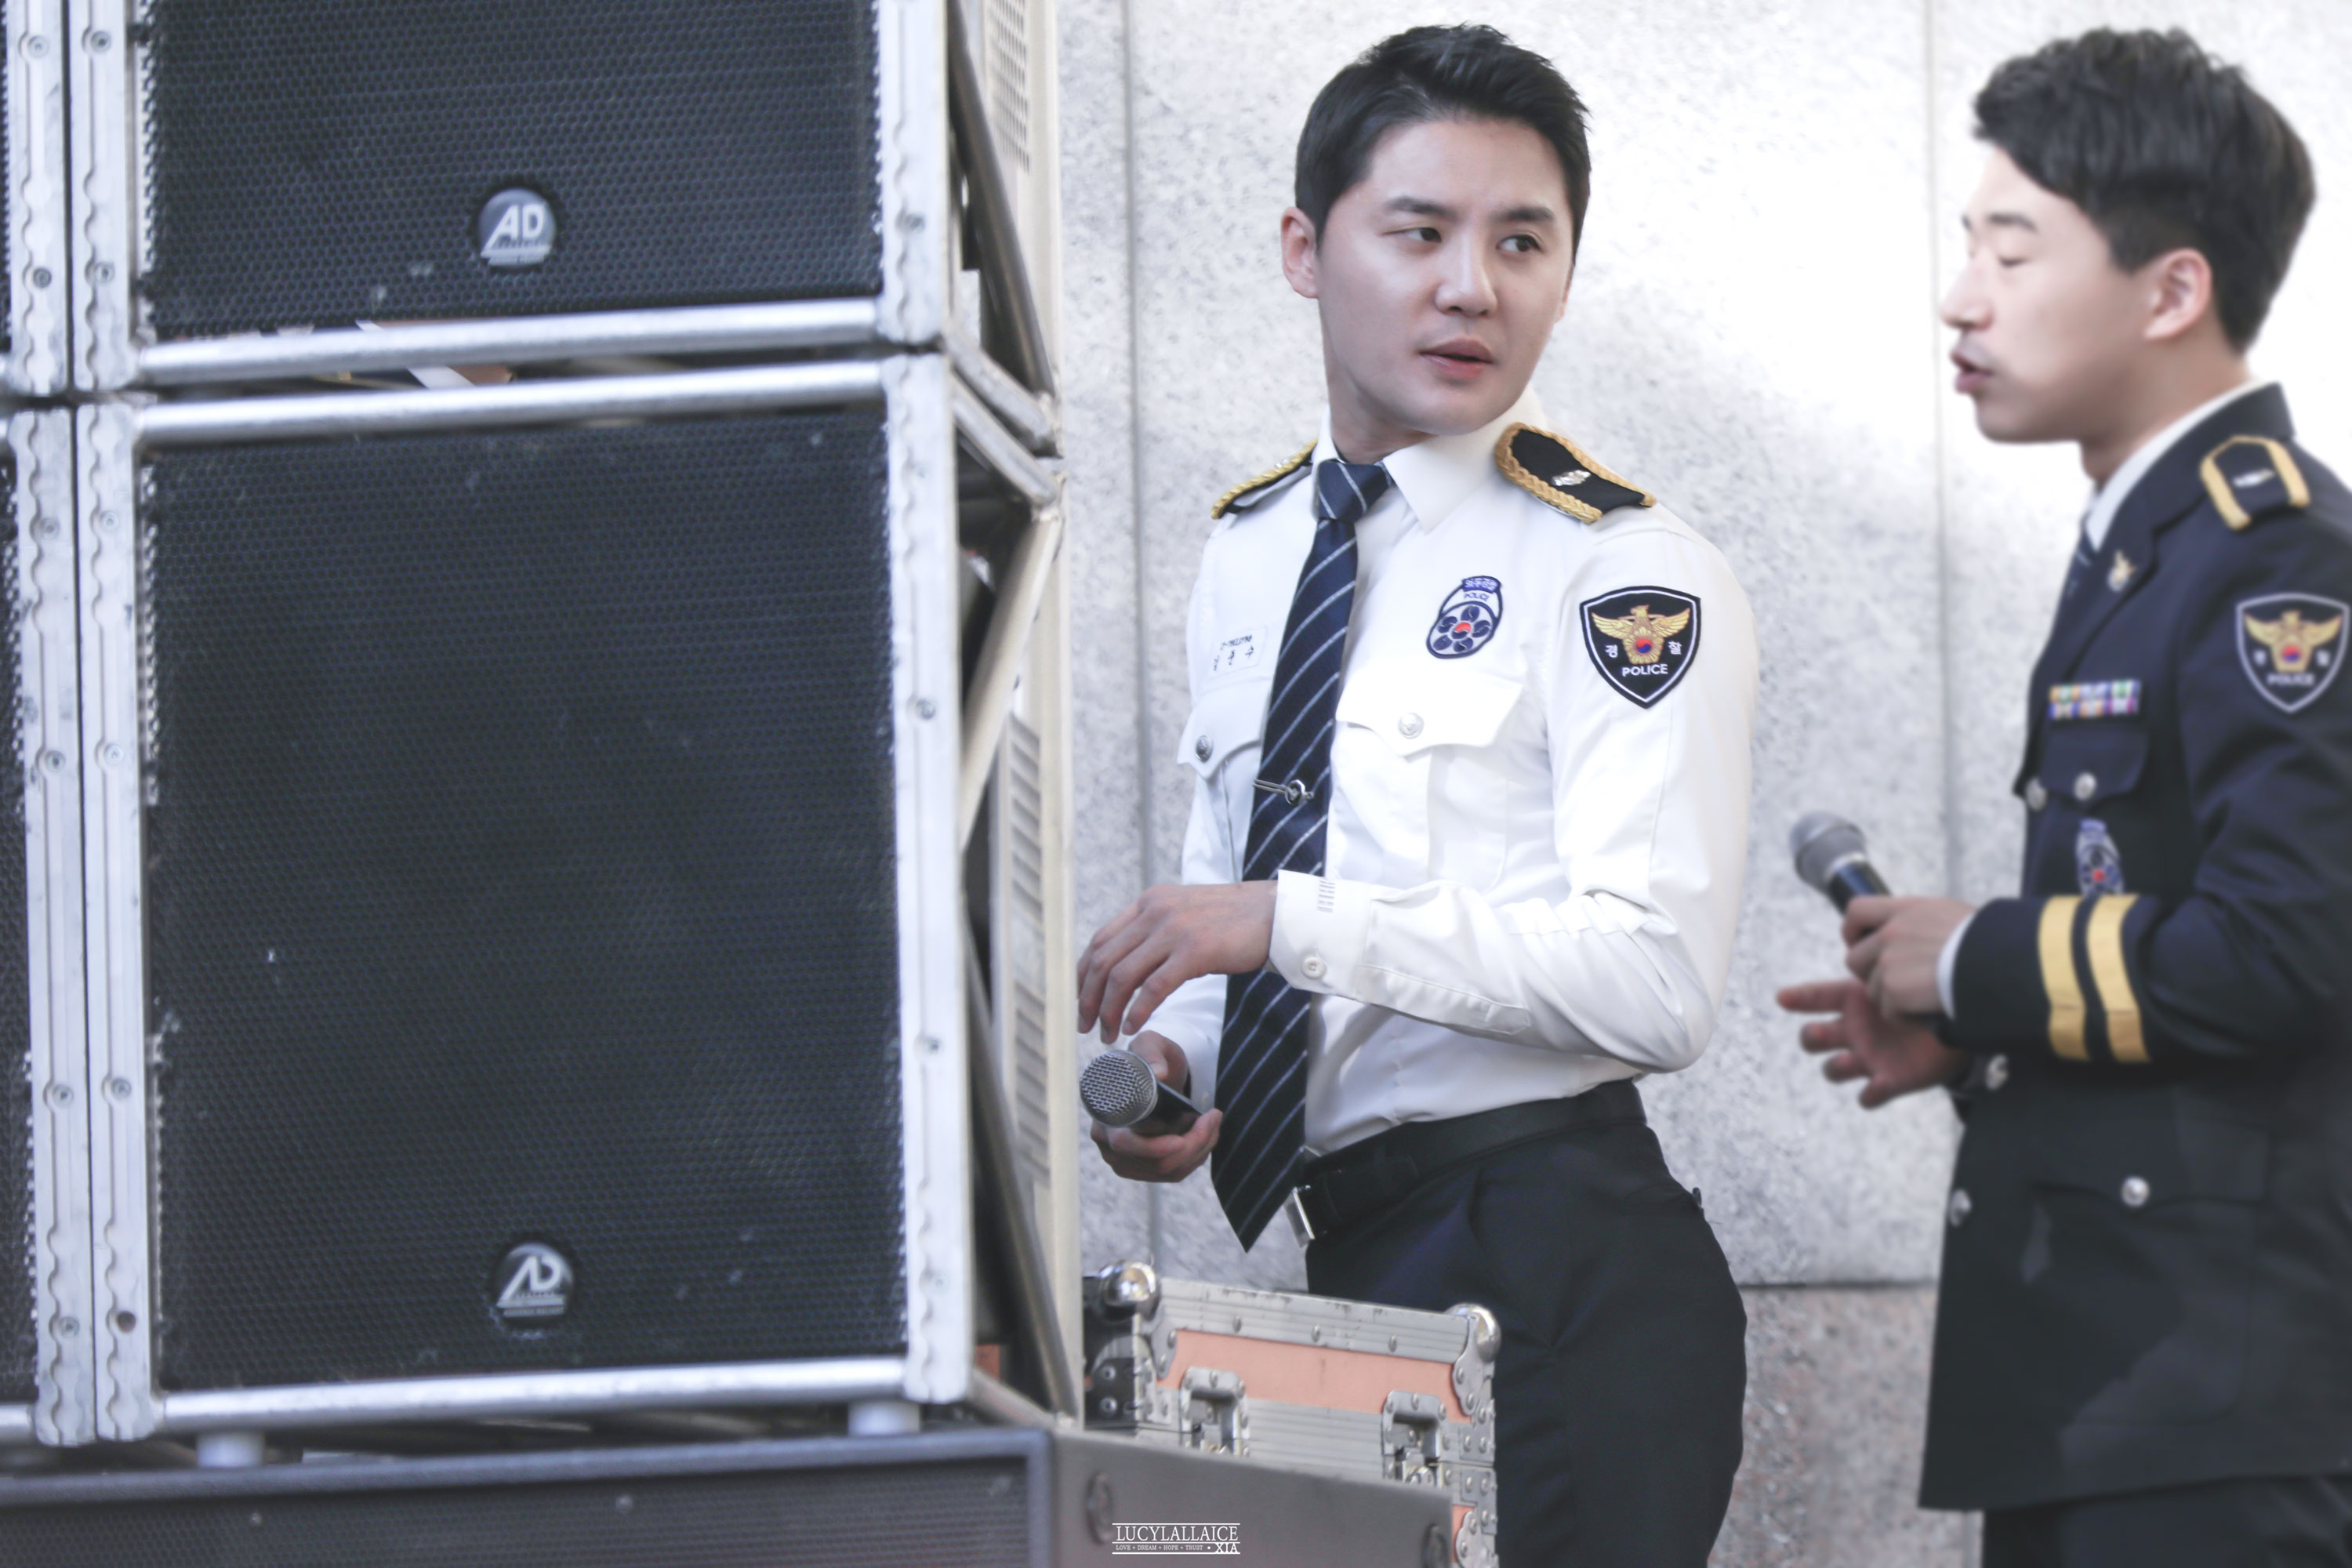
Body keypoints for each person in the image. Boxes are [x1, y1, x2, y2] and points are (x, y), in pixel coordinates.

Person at [1073, 25, 1757, 1565]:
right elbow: (1232, 891)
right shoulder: (1252, 548)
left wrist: (1289, 922)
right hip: (1354, 1261)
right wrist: (1179, 1068)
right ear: (1304, 250)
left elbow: (1657, 981)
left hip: (1555, 1258)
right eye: (1421, 232)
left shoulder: (1620, 572)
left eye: (1522, 241)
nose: (1473, 288)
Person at [1778, 29, 2352, 1567]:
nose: (1961, 297)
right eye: (1969, 244)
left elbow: (2289, 950)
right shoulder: (2147, 548)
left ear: (2171, 291)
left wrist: (1980, 958)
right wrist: (1987, 1033)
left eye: (2012, 250)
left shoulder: (2277, 558)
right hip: (2113, 1384)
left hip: (2210, 1407)